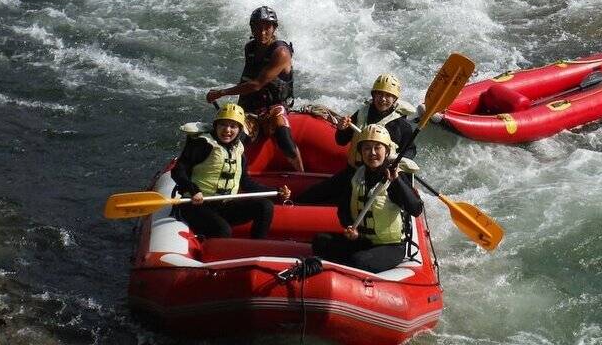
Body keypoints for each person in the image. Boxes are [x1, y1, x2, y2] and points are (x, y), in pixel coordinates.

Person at [301, 124, 423, 273]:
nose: (372, 153)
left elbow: (416, 209)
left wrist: (396, 181)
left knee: (359, 260)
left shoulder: (395, 177)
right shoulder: (355, 176)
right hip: (361, 241)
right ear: (360, 152)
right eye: (367, 148)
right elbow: (344, 210)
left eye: (377, 147)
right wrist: (351, 227)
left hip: (390, 246)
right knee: (320, 241)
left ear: (387, 151)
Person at [171, 103, 291, 239]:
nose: (227, 130)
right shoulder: (203, 144)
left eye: (233, 126)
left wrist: (275, 192)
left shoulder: (238, 149)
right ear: (216, 126)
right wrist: (192, 190)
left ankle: (256, 247)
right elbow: (177, 171)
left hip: (224, 205)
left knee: (265, 206)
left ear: (239, 130)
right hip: (195, 205)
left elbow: (245, 183)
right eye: (223, 125)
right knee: (223, 230)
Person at [206, 6, 303, 172]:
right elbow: (247, 79)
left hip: (275, 106)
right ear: (251, 28)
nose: (262, 32)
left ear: (274, 29)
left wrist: (222, 93)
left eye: (267, 27)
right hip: (251, 108)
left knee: (284, 139)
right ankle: (229, 174)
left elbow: (257, 84)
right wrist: (238, 110)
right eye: (258, 27)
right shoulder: (250, 48)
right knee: (231, 137)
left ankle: (301, 173)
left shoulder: (281, 52)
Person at [335, 73, 416, 168]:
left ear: (394, 99)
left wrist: (396, 163)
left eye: (388, 95)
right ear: (374, 95)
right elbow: (341, 141)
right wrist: (341, 129)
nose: (383, 99)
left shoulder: (401, 124)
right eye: (379, 93)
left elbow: (410, 150)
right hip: (354, 170)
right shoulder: (361, 113)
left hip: (381, 176)